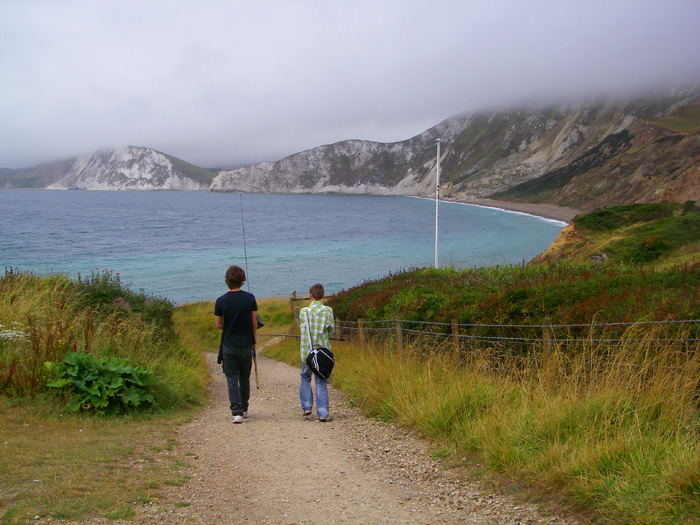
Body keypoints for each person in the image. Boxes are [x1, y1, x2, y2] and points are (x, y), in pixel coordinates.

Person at [214, 265, 257, 424]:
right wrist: (254, 340)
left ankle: (236, 411)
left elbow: (218, 324)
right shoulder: (250, 298)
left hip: (229, 344)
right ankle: (244, 407)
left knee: (231, 378)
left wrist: (229, 324)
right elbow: (254, 322)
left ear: (227, 280)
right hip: (246, 343)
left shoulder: (221, 301)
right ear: (242, 280)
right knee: (244, 377)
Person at [298, 283, 335, 422]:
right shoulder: (328, 311)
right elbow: (331, 330)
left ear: (310, 295)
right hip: (322, 352)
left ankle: (307, 407)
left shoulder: (304, 312)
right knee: (321, 381)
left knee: (305, 377)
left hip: (306, 351)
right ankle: (323, 413)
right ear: (323, 296)